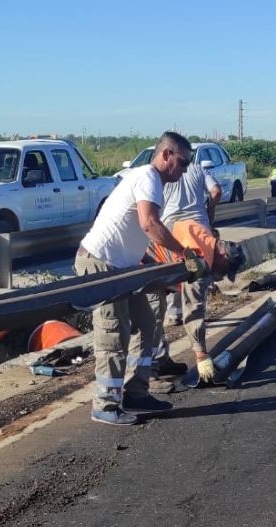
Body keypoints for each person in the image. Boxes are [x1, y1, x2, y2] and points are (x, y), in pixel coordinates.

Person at [75, 131, 202, 426]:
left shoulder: (151, 179)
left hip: (123, 266)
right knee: (113, 332)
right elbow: (149, 223)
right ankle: (105, 404)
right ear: (166, 155)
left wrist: (147, 261)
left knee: (146, 325)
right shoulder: (148, 176)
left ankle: (135, 391)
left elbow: (133, 228)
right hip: (101, 264)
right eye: (182, 163)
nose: (184, 170)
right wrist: (184, 253)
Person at [150, 159, 232, 382]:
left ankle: (160, 360)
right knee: (153, 311)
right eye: (222, 273)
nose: (220, 278)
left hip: (170, 229)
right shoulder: (203, 254)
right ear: (222, 256)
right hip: (154, 254)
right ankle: (150, 372)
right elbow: (194, 307)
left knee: (168, 300)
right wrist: (202, 354)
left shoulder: (164, 174)